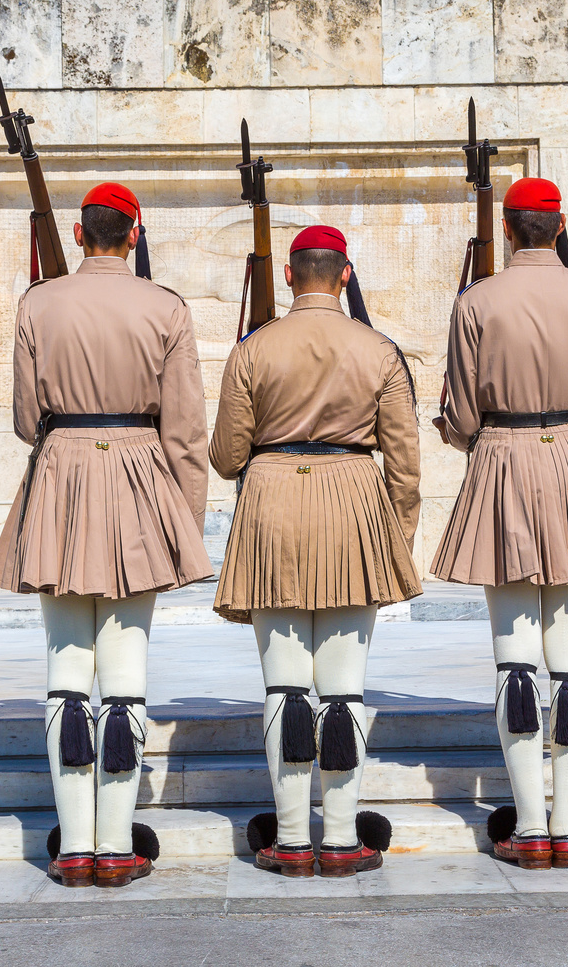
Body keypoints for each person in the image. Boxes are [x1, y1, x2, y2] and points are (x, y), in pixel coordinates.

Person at [0, 183, 212, 889]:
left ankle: (73, 844)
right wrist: (185, 523)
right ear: (134, 233)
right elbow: (185, 430)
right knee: (125, 673)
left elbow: (27, 419)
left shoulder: (37, 303)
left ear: (81, 236)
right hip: (141, 477)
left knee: (65, 673)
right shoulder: (166, 306)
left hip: (61, 477)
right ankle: (116, 844)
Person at [431, 177, 568, 872]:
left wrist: (469, 431)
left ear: (508, 225)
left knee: (515, 662)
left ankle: (526, 826)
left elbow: (462, 420)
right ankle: (567, 823)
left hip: (502, 466)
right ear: (558, 226)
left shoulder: (476, 301)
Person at [210, 224, 422, 879]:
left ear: (289, 277)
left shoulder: (254, 348)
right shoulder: (379, 349)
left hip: (273, 501)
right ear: (345, 274)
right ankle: (341, 837)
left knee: (285, 683)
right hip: (354, 503)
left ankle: (292, 839)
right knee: (344, 688)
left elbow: (225, 458)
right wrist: (395, 539)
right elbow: (406, 462)